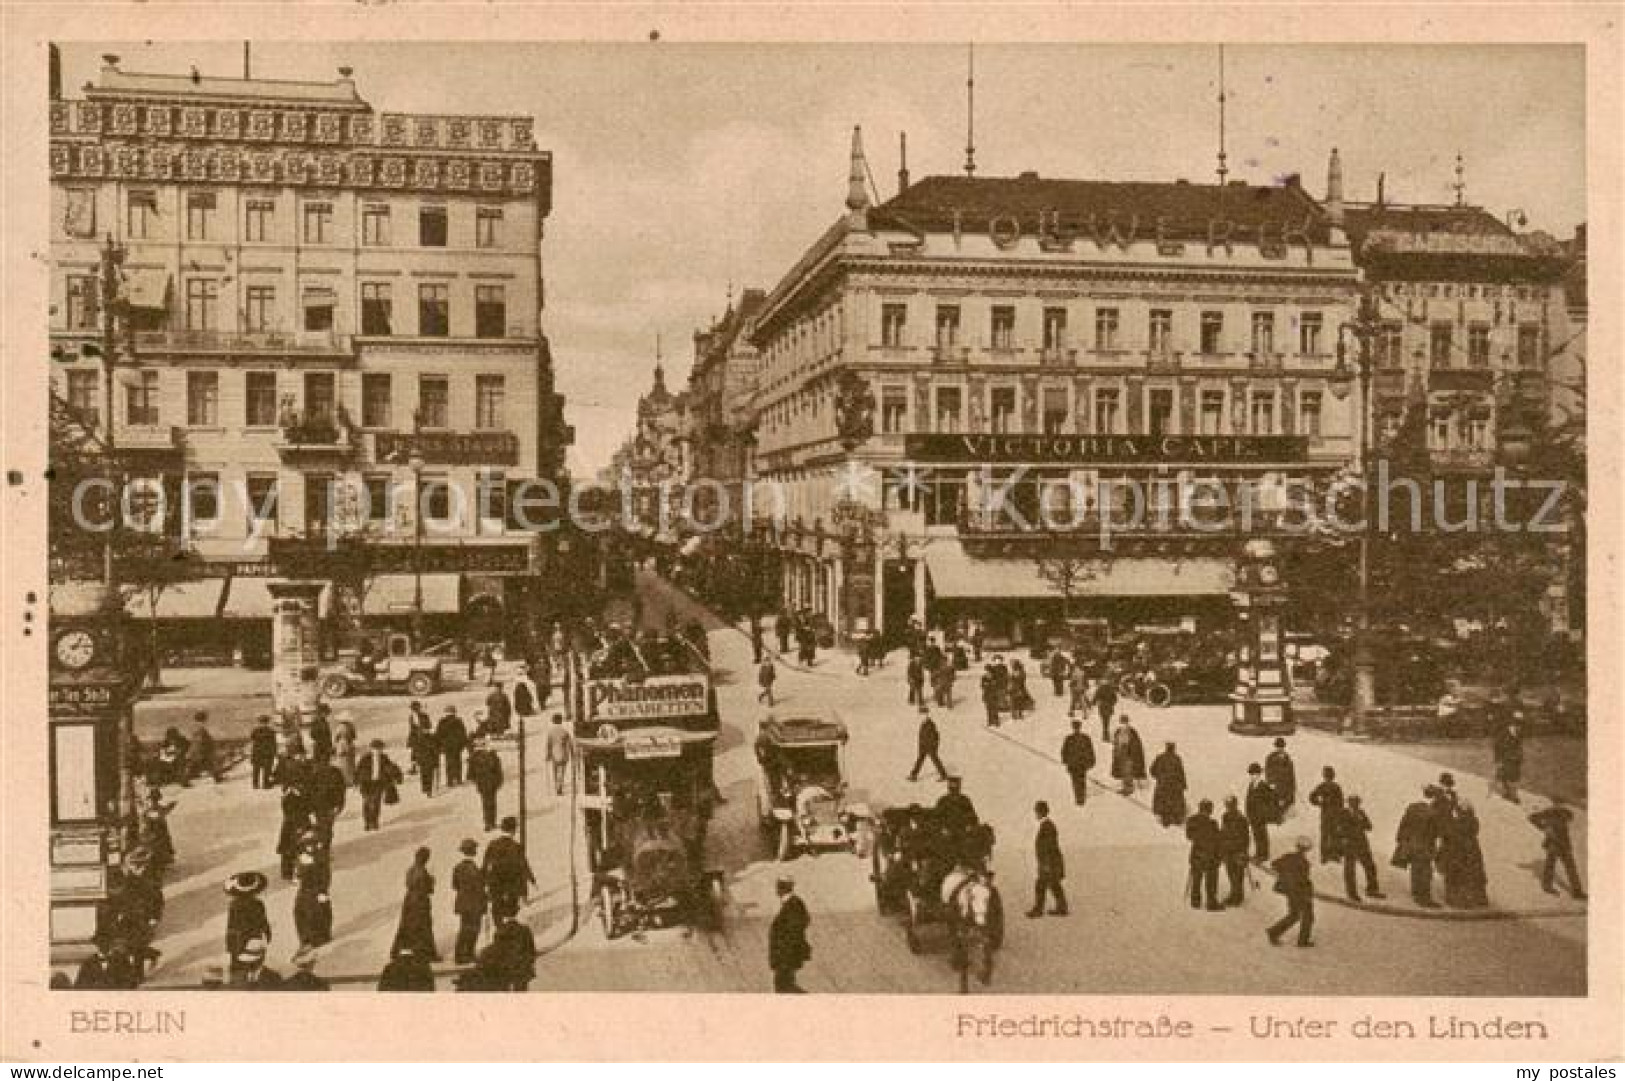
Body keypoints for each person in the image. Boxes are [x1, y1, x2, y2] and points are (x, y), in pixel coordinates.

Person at [1393, 786, 1442, 908]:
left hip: (1412, 844)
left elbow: (1403, 824)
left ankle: (1416, 894)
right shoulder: (1432, 813)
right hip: (1424, 846)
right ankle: (1424, 899)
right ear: (1433, 798)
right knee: (1426, 872)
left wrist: (1402, 841)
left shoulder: (1412, 807)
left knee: (1415, 870)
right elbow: (1435, 833)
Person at [1529, 799, 1586, 899]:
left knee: (1571, 868)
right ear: (1553, 804)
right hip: (1553, 843)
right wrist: (1544, 827)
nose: (1558, 805)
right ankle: (1547, 886)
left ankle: (1577, 892)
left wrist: (1552, 823)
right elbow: (1531, 817)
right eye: (1556, 803)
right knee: (1550, 866)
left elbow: (1570, 817)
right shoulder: (1548, 812)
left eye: (1560, 803)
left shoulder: (1565, 812)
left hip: (1564, 843)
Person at [392, 847, 440, 962]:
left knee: (407, 927)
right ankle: (426, 953)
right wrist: (432, 881)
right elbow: (427, 889)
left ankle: (400, 952)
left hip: (409, 901)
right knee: (424, 928)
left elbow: (409, 884)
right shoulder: (422, 871)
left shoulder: (411, 869)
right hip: (420, 902)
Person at [1266, 837, 1316, 947]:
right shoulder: (1304, 863)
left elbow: (1274, 864)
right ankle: (1302, 941)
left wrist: (1283, 875)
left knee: (1294, 915)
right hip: (1299, 892)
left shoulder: (1288, 857)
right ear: (1307, 850)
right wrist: (1308, 893)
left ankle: (1273, 932)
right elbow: (1302, 881)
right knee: (1308, 916)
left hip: (1289, 891)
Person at [483, 816, 536, 920]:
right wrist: (532, 879)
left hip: (495, 884)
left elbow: (485, 865)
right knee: (510, 911)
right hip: (511, 885)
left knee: (497, 910)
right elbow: (523, 866)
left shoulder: (492, 844)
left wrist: (484, 882)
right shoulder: (516, 847)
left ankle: (499, 930)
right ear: (513, 830)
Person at [1440, 800, 1489, 908]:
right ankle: (1477, 899)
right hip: (1472, 851)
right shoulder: (1473, 821)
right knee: (1473, 875)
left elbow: (1449, 834)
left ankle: (1458, 900)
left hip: (1458, 851)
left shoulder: (1458, 822)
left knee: (1456, 875)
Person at [223, 872, 271, 981]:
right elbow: (263, 922)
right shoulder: (258, 904)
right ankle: (254, 978)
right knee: (255, 960)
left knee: (237, 963)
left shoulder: (234, 904)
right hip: (254, 937)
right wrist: (267, 935)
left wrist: (229, 943)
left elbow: (231, 925)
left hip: (238, 939)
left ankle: (238, 982)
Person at [1336, 794, 1384, 902]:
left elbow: (1369, 826)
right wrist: (1344, 838)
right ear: (1349, 803)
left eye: (1357, 802)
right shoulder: (1343, 813)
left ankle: (1372, 889)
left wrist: (1361, 820)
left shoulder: (1361, 813)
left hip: (1362, 843)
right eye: (1353, 802)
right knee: (1350, 869)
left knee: (1370, 866)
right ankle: (1352, 893)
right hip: (1350, 844)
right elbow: (1338, 828)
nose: (1356, 804)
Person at [768, 875, 811, 993]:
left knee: (783, 986)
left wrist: (784, 953)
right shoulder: (793, 902)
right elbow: (805, 920)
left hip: (786, 955)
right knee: (785, 985)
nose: (776, 890)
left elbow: (794, 929)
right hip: (785, 955)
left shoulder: (793, 904)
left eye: (777, 887)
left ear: (782, 888)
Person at [1027, 801, 1068, 917]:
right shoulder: (1047, 825)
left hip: (1049, 862)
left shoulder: (1047, 826)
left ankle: (1038, 910)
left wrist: (1046, 863)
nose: (1036, 814)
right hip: (1051, 861)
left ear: (1041, 812)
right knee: (1053, 884)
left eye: (1037, 811)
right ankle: (1062, 908)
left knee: (1041, 885)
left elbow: (1048, 846)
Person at [452, 838, 488, 964]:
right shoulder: (475, 869)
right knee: (474, 929)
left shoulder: (457, 867)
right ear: (473, 851)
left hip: (463, 903)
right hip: (474, 904)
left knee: (464, 928)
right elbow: (480, 887)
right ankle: (468, 954)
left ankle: (460, 954)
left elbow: (455, 885)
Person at [355, 739, 403, 832]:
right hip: (366, 784)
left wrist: (397, 777)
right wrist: (356, 781)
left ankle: (374, 821)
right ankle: (367, 822)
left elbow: (391, 767)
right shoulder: (365, 758)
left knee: (376, 802)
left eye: (379, 749)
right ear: (371, 749)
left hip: (378, 783)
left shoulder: (384, 758)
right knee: (367, 802)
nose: (377, 751)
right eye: (375, 749)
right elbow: (358, 770)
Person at [292, 842, 333, 950]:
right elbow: (297, 873)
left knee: (318, 913)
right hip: (304, 890)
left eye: (311, 844)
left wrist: (322, 891)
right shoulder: (301, 858)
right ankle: (305, 939)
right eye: (306, 845)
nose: (309, 847)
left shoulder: (320, 858)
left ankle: (320, 937)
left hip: (316, 890)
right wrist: (297, 878)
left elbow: (325, 876)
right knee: (299, 912)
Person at [1185, 799, 1224, 911]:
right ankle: (1211, 903)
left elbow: (1189, 836)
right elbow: (1218, 840)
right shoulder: (1212, 823)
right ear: (1209, 810)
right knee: (1211, 880)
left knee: (1197, 877)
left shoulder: (1192, 820)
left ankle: (1195, 901)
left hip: (1197, 855)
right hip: (1210, 856)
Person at [305, 755, 347, 845]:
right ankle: (325, 847)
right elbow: (341, 790)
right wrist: (340, 804)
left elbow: (308, 790)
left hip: (320, 805)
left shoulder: (314, 772)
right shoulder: (335, 772)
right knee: (327, 827)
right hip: (328, 805)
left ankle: (324, 848)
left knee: (324, 826)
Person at [465, 738, 505, 832]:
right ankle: (490, 822)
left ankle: (489, 822)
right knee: (490, 802)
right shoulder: (491, 756)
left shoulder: (476, 757)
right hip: (489, 783)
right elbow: (499, 772)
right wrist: (498, 781)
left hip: (486, 783)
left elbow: (471, 773)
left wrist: (474, 779)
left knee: (487, 802)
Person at [1307, 766, 1345, 864]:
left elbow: (1312, 797)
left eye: (1328, 775)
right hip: (1330, 814)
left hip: (1329, 814)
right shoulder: (1332, 786)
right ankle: (1330, 855)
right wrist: (1319, 803)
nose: (1328, 777)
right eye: (1327, 775)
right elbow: (1312, 797)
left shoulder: (1327, 786)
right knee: (1330, 834)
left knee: (1328, 834)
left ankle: (1328, 856)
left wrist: (1319, 803)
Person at [1219, 795, 1251, 906]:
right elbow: (1222, 833)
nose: (1228, 807)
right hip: (1227, 851)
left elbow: (1246, 837)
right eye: (1227, 805)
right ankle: (1234, 895)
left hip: (1237, 851)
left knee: (1238, 875)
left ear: (1235, 805)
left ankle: (1237, 897)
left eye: (1230, 805)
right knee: (1231, 874)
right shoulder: (1225, 816)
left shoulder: (1241, 819)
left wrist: (1243, 852)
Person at [276, 783, 312, 881]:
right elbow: (288, 812)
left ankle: (299, 872)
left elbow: (308, 808)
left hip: (300, 824)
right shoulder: (289, 797)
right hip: (292, 826)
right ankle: (287, 873)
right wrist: (299, 825)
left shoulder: (302, 794)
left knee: (301, 849)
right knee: (288, 851)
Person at [1149, 741, 1188, 827]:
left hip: (1162, 785)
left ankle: (1165, 819)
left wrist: (1159, 777)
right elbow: (1181, 773)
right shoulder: (1177, 759)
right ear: (1173, 748)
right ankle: (1176, 818)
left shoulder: (1160, 757)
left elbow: (1152, 770)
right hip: (1175, 786)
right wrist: (1184, 784)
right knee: (1175, 802)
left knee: (1163, 802)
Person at [1245, 763, 1278, 863]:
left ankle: (1264, 855)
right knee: (1256, 835)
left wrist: (1266, 813)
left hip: (1260, 816)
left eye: (1253, 774)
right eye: (1250, 774)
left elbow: (1271, 799)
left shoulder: (1263, 785)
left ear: (1258, 774)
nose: (1251, 776)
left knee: (1262, 835)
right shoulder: (1251, 785)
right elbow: (1248, 800)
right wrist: (1248, 814)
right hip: (1253, 816)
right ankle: (1258, 853)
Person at [1059, 720, 1096, 807]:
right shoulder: (1069, 739)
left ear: (1079, 728)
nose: (1076, 729)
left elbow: (1090, 750)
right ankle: (1079, 798)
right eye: (1075, 728)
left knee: (1081, 781)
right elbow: (1064, 751)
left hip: (1081, 765)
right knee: (1076, 781)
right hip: (1074, 765)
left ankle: (1081, 798)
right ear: (1073, 728)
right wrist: (1065, 760)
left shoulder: (1085, 738)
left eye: (1077, 728)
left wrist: (1091, 761)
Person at [1492, 714, 1525, 803]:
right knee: (1505, 775)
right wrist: (1498, 760)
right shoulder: (1503, 733)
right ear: (1512, 723)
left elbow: (1519, 746)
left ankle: (1512, 794)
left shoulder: (1519, 732)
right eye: (1517, 723)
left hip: (1516, 758)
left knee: (1515, 776)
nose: (1519, 726)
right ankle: (1510, 793)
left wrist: (1520, 756)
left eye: (1520, 723)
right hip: (1506, 757)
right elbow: (1497, 746)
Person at [1110, 716, 1145, 796]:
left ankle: (1129, 788)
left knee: (1128, 771)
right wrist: (1116, 748)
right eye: (1122, 722)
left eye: (1124, 722)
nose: (1123, 723)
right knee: (1123, 771)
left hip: (1129, 754)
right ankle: (1125, 787)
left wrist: (1132, 753)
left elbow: (1136, 744)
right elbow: (1115, 741)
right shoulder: (1118, 731)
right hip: (1120, 754)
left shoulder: (1132, 731)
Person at [907, 711, 947, 783]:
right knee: (920, 760)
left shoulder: (930, 724)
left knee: (935, 760)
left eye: (924, 714)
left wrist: (934, 746)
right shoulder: (923, 724)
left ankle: (943, 775)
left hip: (930, 746)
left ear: (927, 715)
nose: (922, 716)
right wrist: (920, 746)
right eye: (921, 714)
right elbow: (921, 737)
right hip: (923, 746)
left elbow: (936, 736)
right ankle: (913, 775)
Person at [437, 707, 470, 788]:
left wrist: (439, 745)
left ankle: (450, 781)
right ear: (454, 712)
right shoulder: (458, 721)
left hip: (447, 745)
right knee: (457, 761)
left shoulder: (442, 721)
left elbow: (439, 734)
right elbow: (463, 733)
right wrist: (463, 744)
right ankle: (458, 779)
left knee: (449, 762)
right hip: (456, 745)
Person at [410, 712, 440, 796]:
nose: (426, 731)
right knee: (424, 774)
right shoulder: (421, 738)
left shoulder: (432, 737)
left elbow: (436, 748)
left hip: (429, 759)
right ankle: (426, 788)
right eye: (424, 729)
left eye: (427, 729)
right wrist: (415, 759)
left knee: (428, 774)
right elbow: (416, 749)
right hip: (424, 759)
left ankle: (428, 790)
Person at [1265, 737, 1297, 815]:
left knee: (1286, 805)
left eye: (1281, 747)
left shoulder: (1288, 759)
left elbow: (1291, 775)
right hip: (1275, 786)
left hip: (1286, 786)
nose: (1280, 749)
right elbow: (1268, 772)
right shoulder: (1270, 758)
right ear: (1275, 747)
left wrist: (1293, 788)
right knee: (1275, 805)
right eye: (1278, 747)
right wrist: (1270, 783)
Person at [187, 711, 221, 784]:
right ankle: (217, 778)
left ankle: (217, 777)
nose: (205, 721)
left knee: (199, 765)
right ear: (202, 719)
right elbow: (200, 741)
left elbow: (196, 741)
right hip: (200, 751)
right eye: (204, 719)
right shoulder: (200, 729)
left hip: (197, 751)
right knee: (206, 764)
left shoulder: (198, 728)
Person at [544, 713, 573, 797]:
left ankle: (556, 784)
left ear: (553, 721)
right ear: (561, 721)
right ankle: (559, 786)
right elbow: (570, 744)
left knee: (555, 770)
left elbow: (548, 744)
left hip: (554, 754)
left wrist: (547, 755)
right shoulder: (564, 731)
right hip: (564, 754)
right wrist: (572, 754)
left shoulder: (551, 732)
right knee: (561, 771)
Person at [249, 715, 278, 790]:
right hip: (266, 753)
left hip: (257, 752)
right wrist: (274, 752)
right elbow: (274, 743)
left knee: (256, 769)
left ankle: (255, 784)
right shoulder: (271, 731)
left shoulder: (255, 731)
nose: (263, 724)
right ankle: (265, 784)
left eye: (263, 722)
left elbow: (252, 740)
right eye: (264, 722)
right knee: (266, 769)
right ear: (267, 722)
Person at [511, 665, 539, 733]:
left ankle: (523, 710)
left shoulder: (517, 680)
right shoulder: (525, 679)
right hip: (523, 693)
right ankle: (526, 710)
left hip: (520, 695)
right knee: (526, 699)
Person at [332, 714, 358, 788]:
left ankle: (345, 780)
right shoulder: (351, 726)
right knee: (351, 763)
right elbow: (354, 736)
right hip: (350, 745)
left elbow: (336, 737)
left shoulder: (339, 727)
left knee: (343, 763)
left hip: (342, 745)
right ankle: (351, 780)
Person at [1094, 677, 1119, 742]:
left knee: (1104, 720)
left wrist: (1093, 703)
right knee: (1107, 720)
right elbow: (1115, 699)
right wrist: (1112, 704)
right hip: (1109, 707)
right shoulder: (1111, 689)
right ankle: (1106, 734)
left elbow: (1096, 697)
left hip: (1102, 706)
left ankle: (1105, 734)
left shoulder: (1100, 689)